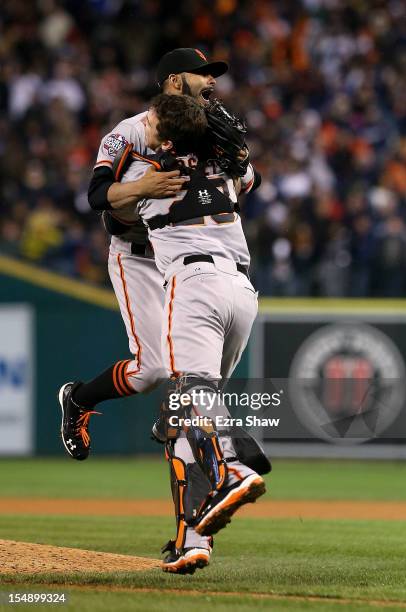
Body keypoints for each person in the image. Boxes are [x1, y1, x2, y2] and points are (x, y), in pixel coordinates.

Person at [58, 48, 262, 574]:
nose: (212, 82)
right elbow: (98, 195)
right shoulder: (132, 130)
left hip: (193, 264)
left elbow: (245, 179)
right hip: (140, 257)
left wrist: (241, 167)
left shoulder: (212, 130)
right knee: (156, 373)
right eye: (203, 74)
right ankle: (79, 399)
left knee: (182, 401)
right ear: (175, 80)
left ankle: (191, 538)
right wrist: (143, 186)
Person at [113, 92, 265, 573]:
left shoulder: (147, 174)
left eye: (155, 120)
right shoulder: (229, 168)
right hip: (242, 292)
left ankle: (233, 466)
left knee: (191, 395)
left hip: (193, 282)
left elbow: (109, 205)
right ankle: (195, 539)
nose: (148, 125)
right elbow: (249, 173)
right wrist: (237, 153)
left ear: (167, 131)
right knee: (186, 411)